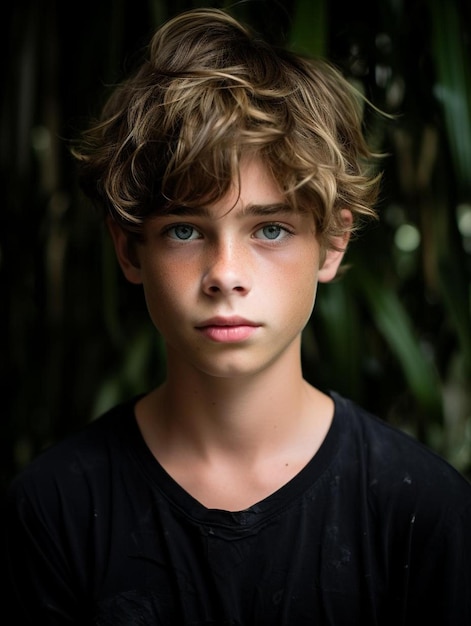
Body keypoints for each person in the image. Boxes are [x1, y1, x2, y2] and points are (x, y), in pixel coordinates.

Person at [5, 7, 471, 625]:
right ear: (129, 249)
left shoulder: (426, 512)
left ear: (332, 243)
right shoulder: (53, 509)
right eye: (184, 231)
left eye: (270, 229)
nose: (226, 273)